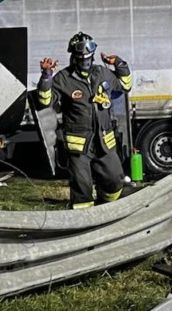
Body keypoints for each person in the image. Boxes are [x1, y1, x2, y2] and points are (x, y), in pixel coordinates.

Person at [36, 31, 132, 209]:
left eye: (89, 51)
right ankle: (84, 219)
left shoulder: (103, 73)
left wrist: (119, 63)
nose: (85, 57)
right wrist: (46, 76)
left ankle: (106, 207)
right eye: (81, 52)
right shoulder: (64, 79)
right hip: (79, 146)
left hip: (104, 141)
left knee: (115, 180)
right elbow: (45, 100)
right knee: (82, 190)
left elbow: (125, 86)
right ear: (74, 54)